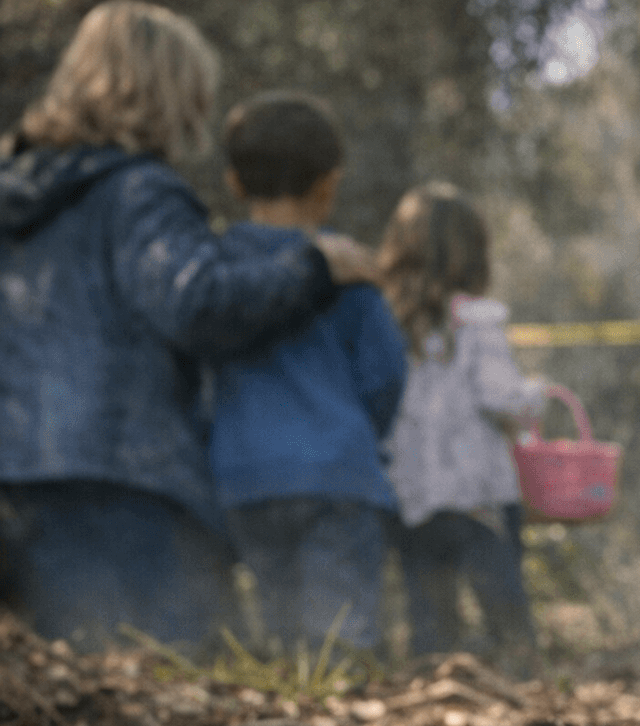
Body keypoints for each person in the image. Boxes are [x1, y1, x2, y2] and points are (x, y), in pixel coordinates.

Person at [0, 1, 375, 652]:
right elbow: (197, 305)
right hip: (127, 485)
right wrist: (316, 267)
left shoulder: (18, 194)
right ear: (168, 92)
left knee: (71, 685)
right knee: (175, 681)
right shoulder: (138, 190)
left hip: (20, 475)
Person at [206, 92, 408, 656]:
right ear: (328, 184)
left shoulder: (218, 271)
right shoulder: (348, 269)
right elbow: (386, 377)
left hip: (245, 477)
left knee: (282, 637)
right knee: (338, 641)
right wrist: (360, 434)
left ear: (234, 182)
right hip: (338, 476)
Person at [380, 182, 548, 668]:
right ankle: (523, 681)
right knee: (505, 610)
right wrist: (535, 394)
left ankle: (436, 684)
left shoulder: (388, 321)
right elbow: (501, 397)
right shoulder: (477, 320)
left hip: (413, 496)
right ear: (473, 251)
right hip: (479, 497)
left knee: (430, 615)